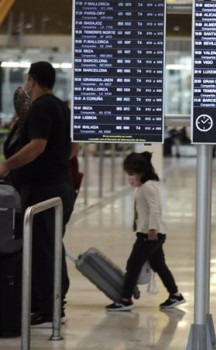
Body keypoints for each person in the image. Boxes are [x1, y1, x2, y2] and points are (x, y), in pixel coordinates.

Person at [0, 62, 75, 327]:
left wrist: (7, 165)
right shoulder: (61, 108)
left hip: (45, 191)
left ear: (32, 80)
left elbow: (37, 146)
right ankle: (51, 306)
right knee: (49, 247)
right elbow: (73, 147)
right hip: (57, 187)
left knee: (44, 250)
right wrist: (58, 165)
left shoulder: (42, 107)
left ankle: (47, 310)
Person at [106, 152, 185, 311]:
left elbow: (155, 209)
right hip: (150, 232)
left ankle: (125, 299)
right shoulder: (144, 186)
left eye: (131, 174)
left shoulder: (148, 186)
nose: (130, 177)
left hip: (150, 234)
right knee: (159, 265)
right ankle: (175, 294)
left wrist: (152, 229)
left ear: (141, 172)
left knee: (133, 264)